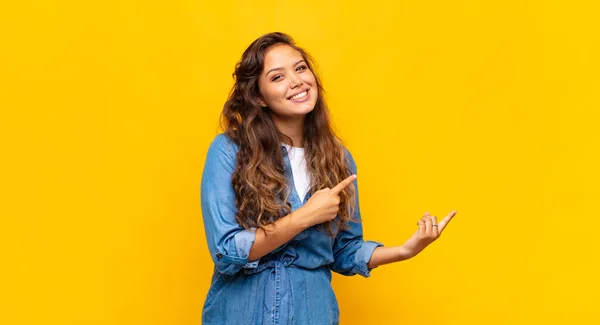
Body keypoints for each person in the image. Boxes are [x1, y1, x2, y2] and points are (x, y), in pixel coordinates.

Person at [200, 32, 457, 325]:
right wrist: (305, 216)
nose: (297, 81)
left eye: (300, 68)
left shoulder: (339, 159)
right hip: (242, 313)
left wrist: (405, 250)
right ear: (259, 97)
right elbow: (226, 251)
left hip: (313, 312)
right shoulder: (229, 150)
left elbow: (345, 251)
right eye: (277, 77)